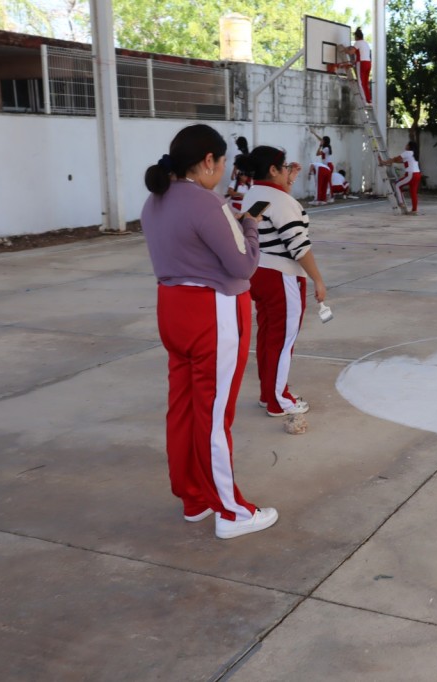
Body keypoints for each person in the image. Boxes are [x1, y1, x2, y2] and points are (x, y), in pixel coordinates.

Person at [141, 124, 279, 540]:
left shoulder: (155, 201)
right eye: (221, 163)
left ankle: (194, 497)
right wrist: (249, 226)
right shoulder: (206, 203)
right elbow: (243, 265)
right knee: (214, 414)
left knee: (183, 408)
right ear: (207, 162)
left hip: (173, 309)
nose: (221, 170)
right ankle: (231, 511)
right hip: (211, 314)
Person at [240, 146, 327, 418]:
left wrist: (286, 182)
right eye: (284, 166)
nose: (289, 170)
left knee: (268, 336)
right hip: (282, 276)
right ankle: (279, 400)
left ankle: (268, 393)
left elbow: (272, 211)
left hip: (258, 273)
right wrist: (317, 279)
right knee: (282, 340)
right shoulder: (281, 201)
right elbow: (298, 245)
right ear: (273, 170)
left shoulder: (253, 193)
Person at [379, 141, 421, 214]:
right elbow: (401, 161)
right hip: (417, 174)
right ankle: (414, 210)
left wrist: (384, 162)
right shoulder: (413, 153)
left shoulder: (407, 152)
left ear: (409, 146)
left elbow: (396, 159)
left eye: (407, 144)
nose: (406, 145)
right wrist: (389, 161)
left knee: (397, 185)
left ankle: (401, 203)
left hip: (411, 174)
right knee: (413, 192)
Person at [345, 28, 372, 103]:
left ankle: (364, 100)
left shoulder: (357, 43)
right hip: (368, 63)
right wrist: (355, 61)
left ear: (357, 37)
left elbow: (351, 52)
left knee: (360, 82)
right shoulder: (366, 43)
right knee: (365, 83)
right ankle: (368, 99)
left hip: (361, 63)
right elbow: (362, 54)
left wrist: (345, 50)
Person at [307, 136, 333, 205]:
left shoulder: (326, 148)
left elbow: (317, 153)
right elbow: (318, 153)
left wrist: (320, 146)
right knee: (325, 183)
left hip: (328, 165)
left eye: (322, 140)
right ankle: (324, 198)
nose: (321, 141)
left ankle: (329, 197)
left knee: (327, 183)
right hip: (326, 166)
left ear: (325, 141)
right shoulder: (326, 148)